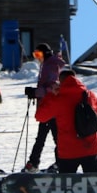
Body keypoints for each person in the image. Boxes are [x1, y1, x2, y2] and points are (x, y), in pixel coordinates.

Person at [34, 69, 97, 173]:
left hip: (68, 150)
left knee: (66, 184)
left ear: (60, 81)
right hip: (90, 146)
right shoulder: (88, 94)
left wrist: (51, 95)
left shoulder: (58, 98)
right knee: (93, 183)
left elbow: (40, 116)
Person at [23, 43, 65, 173]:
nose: (37, 57)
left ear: (45, 53)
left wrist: (36, 92)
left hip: (51, 107)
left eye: (38, 54)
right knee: (43, 136)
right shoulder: (47, 65)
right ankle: (34, 162)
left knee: (54, 136)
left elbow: (53, 88)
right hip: (47, 107)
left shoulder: (51, 65)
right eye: (35, 55)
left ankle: (60, 162)